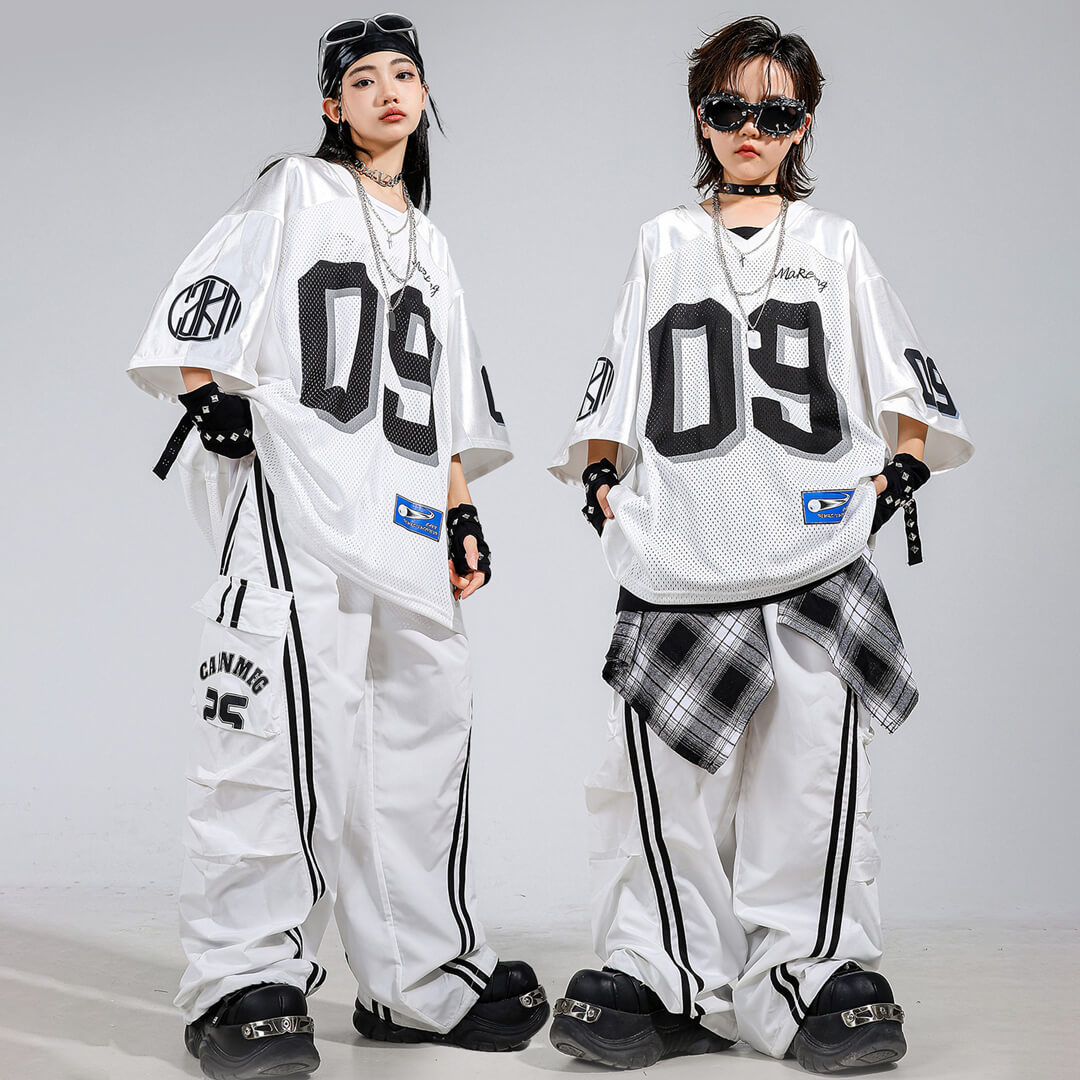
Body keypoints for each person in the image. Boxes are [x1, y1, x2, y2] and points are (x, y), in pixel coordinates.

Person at [547, 15, 972, 1073]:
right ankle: (664, 972)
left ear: (803, 125)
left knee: (809, 778)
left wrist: (895, 475)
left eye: (775, 112)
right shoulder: (663, 241)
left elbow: (904, 380)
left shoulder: (835, 245)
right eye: (730, 106)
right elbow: (616, 381)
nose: (751, 127)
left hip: (810, 556)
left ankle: (810, 973)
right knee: (661, 785)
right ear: (702, 117)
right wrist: (602, 485)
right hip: (681, 554)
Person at [128, 14, 548, 1078]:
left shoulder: (432, 244)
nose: (388, 91)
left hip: (402, 517)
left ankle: (418, 978)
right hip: (299, 496)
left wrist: (460, 509)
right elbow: (204, 304)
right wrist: (208, 393)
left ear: (424, 94)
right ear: (332, 104)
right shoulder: (295, 189)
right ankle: (241, 981)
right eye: (363, 79)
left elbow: (446, 401)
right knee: (271, 746)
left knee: (421, 745)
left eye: (404, 74)